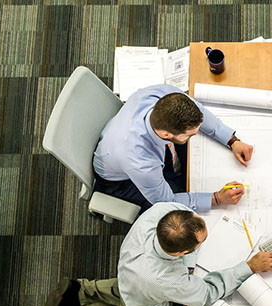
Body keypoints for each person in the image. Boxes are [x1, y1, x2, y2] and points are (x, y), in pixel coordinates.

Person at [42, 202, 272, 306]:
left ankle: (79, 291)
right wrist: (249, 266)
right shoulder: (167, 280)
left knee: (128, 288)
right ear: (182, 253)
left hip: (131, 275)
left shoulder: (162, 212)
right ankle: (84, 295)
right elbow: (208, 294)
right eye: (201, 242)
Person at [93, 84, 255, 212]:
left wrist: (232, 140)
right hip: (120, 181)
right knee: (178, 209)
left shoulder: (163, 95)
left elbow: (199, 111)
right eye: (190, 135)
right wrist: (217, 198)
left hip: (122, 144)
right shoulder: (141, 162)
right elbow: (167, 201)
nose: (195, 135)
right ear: (165, 134)